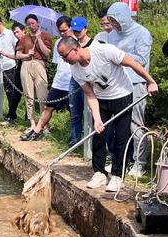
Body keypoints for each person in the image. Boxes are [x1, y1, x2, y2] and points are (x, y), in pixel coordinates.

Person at [57, 37, 158, 192]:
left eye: (64, 56)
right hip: (100, 99)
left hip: (122, 95)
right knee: (98, 135)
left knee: (121, 137)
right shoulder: (75, 69)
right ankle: (99, 172)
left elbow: (133, 64)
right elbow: (90, 95)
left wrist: (150, 81)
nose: (64, 60)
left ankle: (118, 175)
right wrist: (97, 118)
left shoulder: (105, 51)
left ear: (75, 49)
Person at [106, 2, 152, 178]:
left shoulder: (142, 33)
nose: (114, 24)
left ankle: (139, 163)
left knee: (136, 124)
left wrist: (119, 54)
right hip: (117, 83)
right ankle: (120, 160)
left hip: (136, 82)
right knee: (118, 124)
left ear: (124, 18)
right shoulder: (112, 36)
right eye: (111, 21)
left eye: (115, 20)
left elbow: (141, 59)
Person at [20, 16, 73, 141]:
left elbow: (47, 55)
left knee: (73, 111)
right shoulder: (59, 42)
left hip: (72, 82)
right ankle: (36, 129)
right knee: (48, 107)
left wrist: (39, 41)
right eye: (60, 31)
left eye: (65, 30)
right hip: (58, 81)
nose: (62, 33)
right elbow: (56, 62)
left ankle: (73, 136)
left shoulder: (76, 42)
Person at [15, 14, 53, 132]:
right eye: (29, 24)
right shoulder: (24, 38)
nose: (31, 26)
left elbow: (47, 53)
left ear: (38, 23)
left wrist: (39, 39)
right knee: (28, 95)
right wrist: (27, 54)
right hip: (26, 65)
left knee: (42, 95)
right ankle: (32, 123)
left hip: (39, 64)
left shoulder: (45, 36)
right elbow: (18, 55)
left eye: (33, 23)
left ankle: (44, 124)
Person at [67, 17, 94, 146]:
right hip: (75, 79)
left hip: (89, 80)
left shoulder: (94, 44)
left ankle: (90, 141)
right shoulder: (71, 44)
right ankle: (74, 139)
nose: (77, 33)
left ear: (86, 29)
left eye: (79, 30)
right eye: (75, 31)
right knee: (74, 111)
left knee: (90, 110)